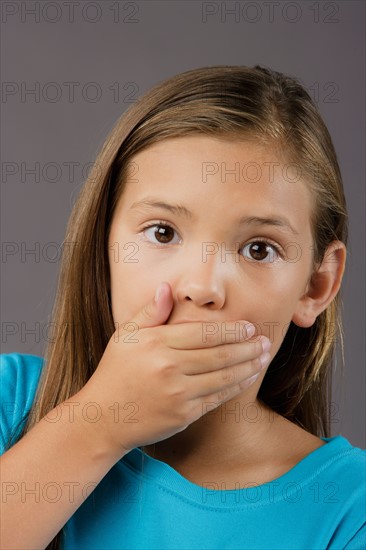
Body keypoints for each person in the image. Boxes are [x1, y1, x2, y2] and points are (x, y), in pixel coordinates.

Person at [1, 65, 365, 550]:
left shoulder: (348, 508)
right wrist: (100, 422)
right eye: (163, 232)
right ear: (101, 245)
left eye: (258, 248)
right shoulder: (12, 405)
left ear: (316, 285)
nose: (202, 286)